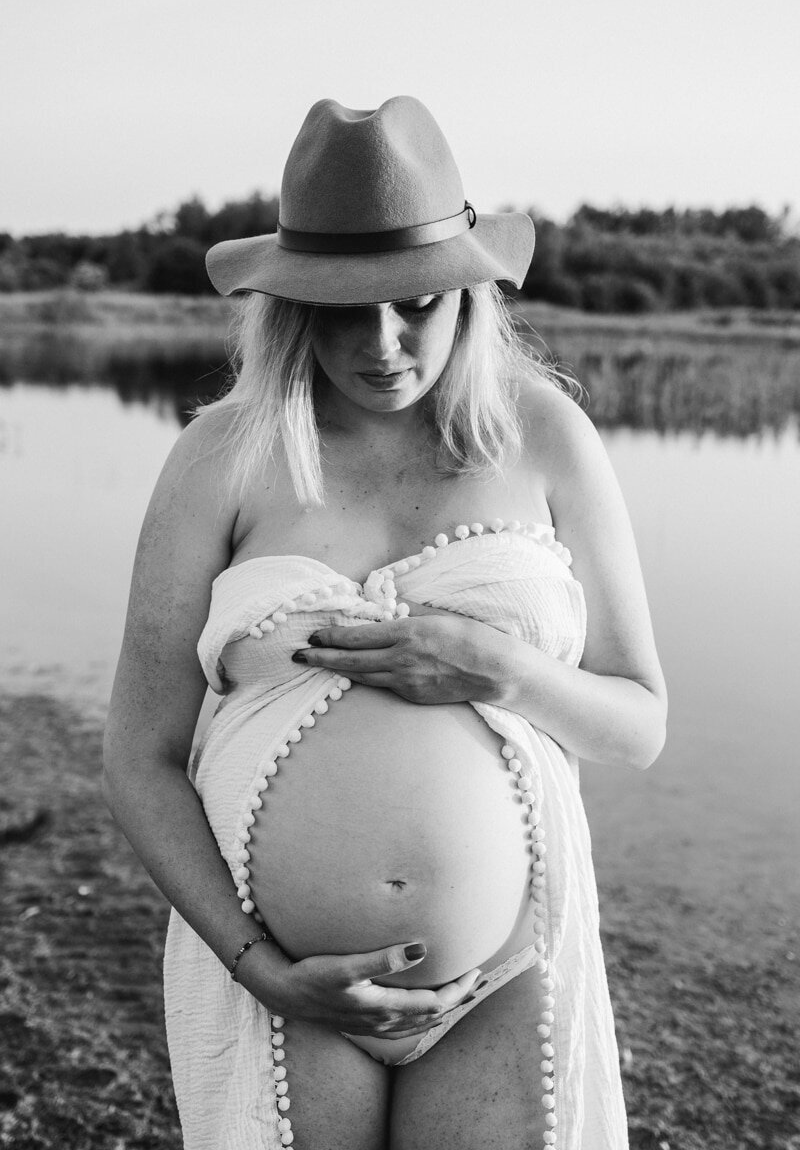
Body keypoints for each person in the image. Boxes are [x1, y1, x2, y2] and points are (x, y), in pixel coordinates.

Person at [103, 96, 667, 1150]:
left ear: (469, 292)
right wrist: (256, 962)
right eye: (340, 309)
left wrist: (493, 665)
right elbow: (138, 756)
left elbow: (637, 723)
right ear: (290, 306)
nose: (381, 342)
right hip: (288, 986)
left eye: (416, 303)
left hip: (504, 975)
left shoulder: (544, 436)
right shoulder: (223, 454)